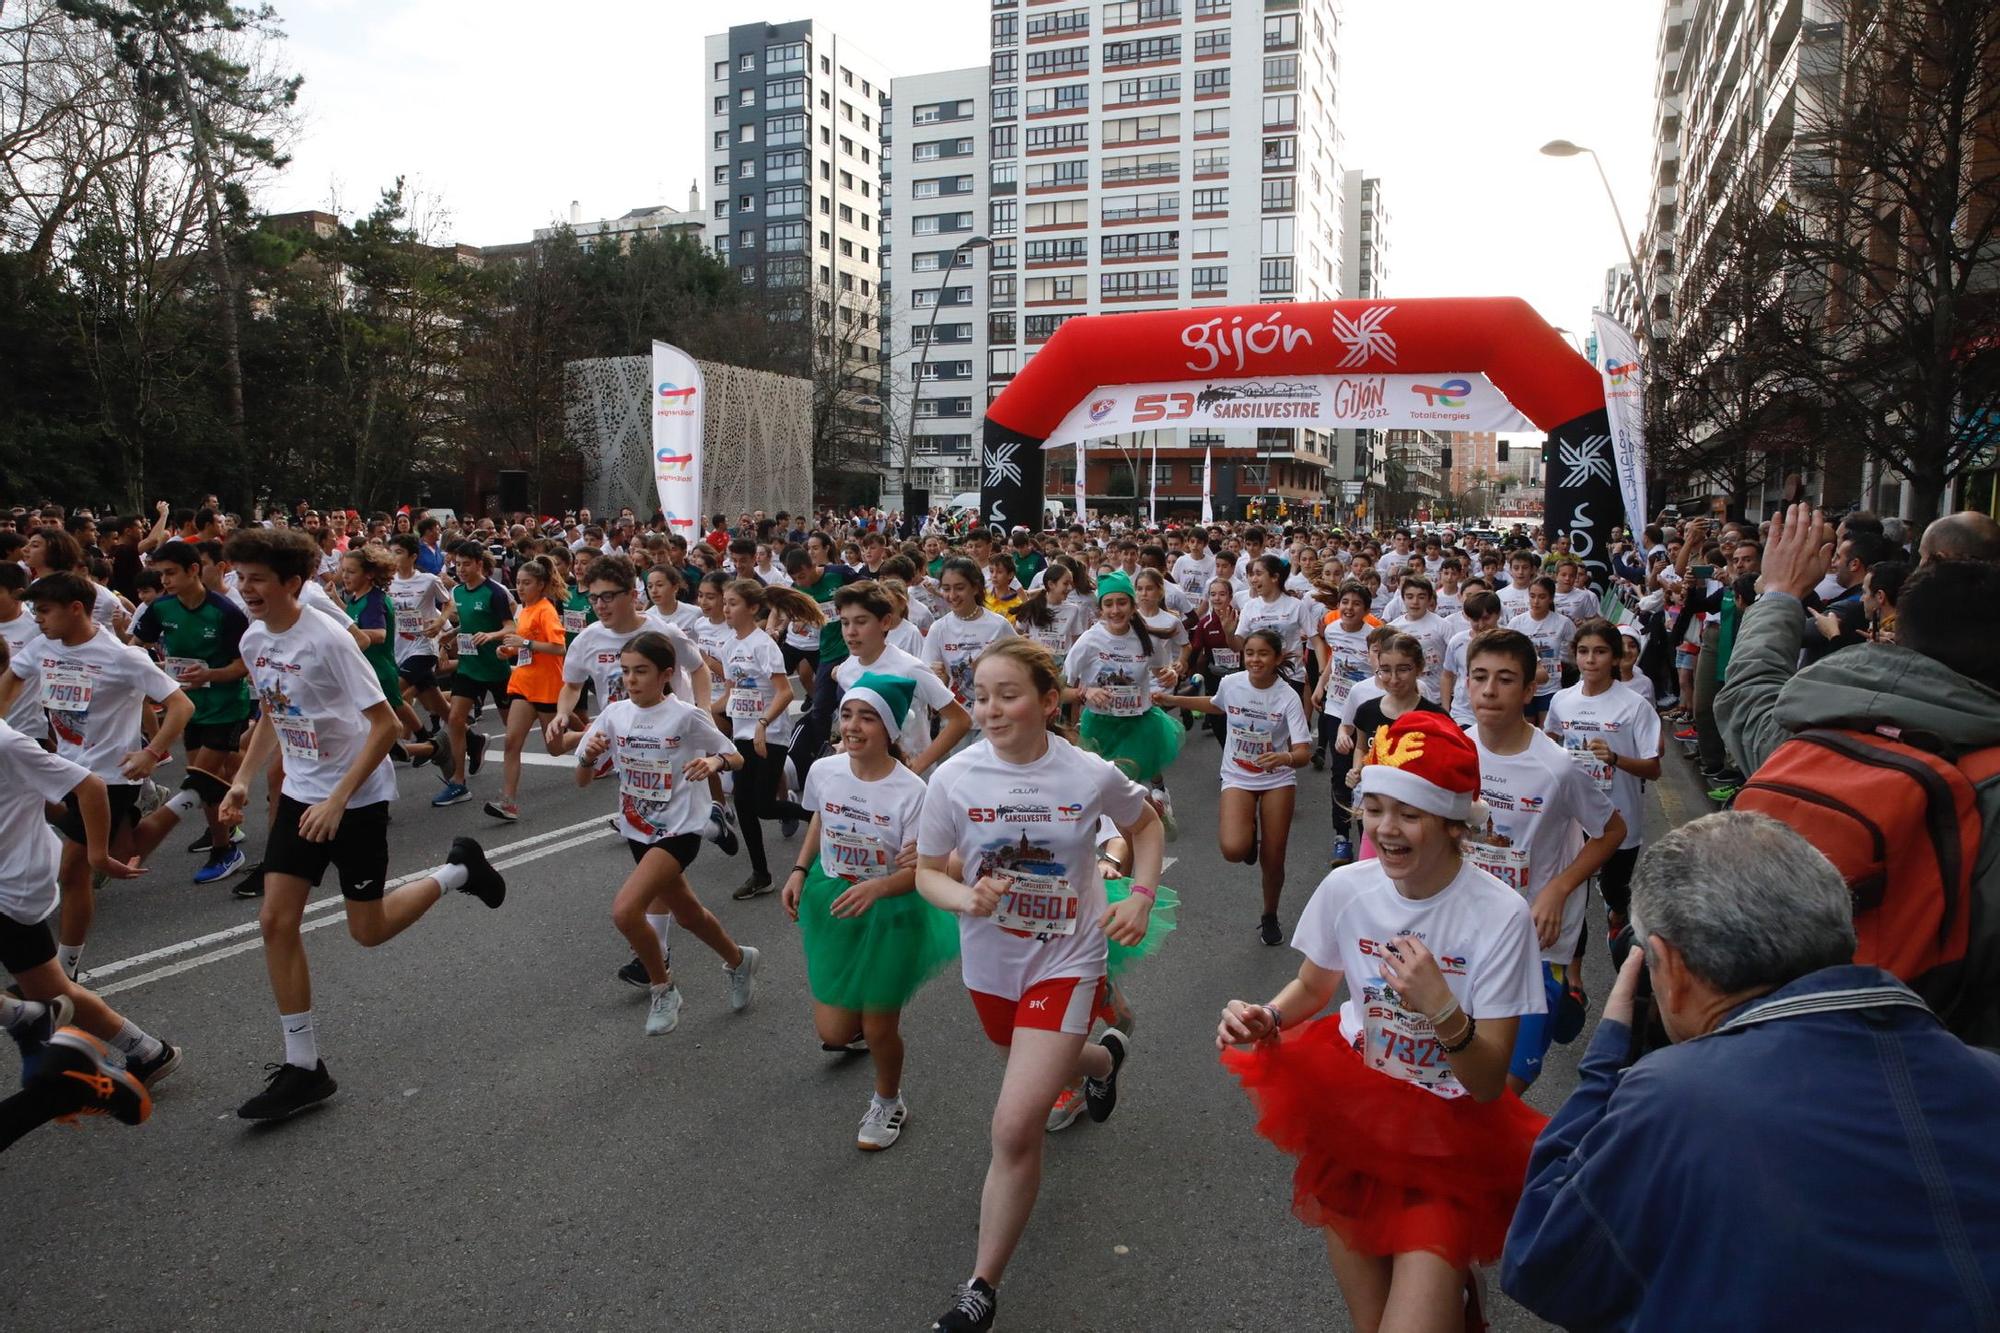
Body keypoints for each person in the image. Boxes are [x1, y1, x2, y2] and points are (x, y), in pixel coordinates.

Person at [1502, 812, 2000, 1330]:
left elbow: (1540, 1261)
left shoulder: (1676, 1098)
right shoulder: (1985, 1077)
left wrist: (1606, 1063)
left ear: (1667, 968)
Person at [1219, 712, 1547, 1333]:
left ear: (1453, 822)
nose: (1387, 830)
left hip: (1449, 1133)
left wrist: (1442, 1008)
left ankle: (1449, 1294)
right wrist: (1267, 1017)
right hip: (1360, 1119)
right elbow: (1314, 986)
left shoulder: (1500, 915)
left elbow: (1486, 1081)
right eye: (1374, 809)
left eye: (1410, 814)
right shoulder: (1349, 888)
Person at [915, 638, 1165, 1333]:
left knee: (1015, 1123)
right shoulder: (955, 779)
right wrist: (962, 898)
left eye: (1007, 693)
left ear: (1049, 702)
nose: (990, 708)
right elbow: (928, 869)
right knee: (1034, 1056)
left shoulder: (1086, 771)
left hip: (1067, 955)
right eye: (980, 694)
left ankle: (979, 1288)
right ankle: (1104, 1057)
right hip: (990, 961)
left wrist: (1140, 895)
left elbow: (1145, 826)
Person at [218, 528, 506, 1120]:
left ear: (292, 583)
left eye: (257, 579)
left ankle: (458, 870)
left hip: (357, 797)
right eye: (239, 577)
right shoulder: (253, 640)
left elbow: (386, 727)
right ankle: (304, 1066)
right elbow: (274, 714)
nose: (245, 588)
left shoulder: (326, 640)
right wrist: (244, 780)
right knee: (275, 921)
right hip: (303, 794)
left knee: (367, 931)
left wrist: (339, 799)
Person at [1718, 505, 2000, 1043]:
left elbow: (1748, 691)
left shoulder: (1804, 740)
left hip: (1790, 1036)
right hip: (1943, 1064)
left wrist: (1778, 593)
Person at [551, 631, 761, 1035]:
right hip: (637, 827)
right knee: (687, 915)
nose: (631, 679)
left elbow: (734, 755)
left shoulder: (685, 715)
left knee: (625, 911)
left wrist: (714, 765)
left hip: (680, 828)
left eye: (641, 671)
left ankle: (663, 989)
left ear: (666, 674)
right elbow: (581, 779)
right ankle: (739, 960)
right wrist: (588, 759)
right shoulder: (613, 715)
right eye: (626, 671)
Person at [781, 675, 958, 1150]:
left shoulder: (913, 791)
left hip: (892, 908)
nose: (853, 726)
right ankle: (863, 1021)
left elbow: (923, 870)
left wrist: (880, 887)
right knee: (835, 1032)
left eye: (868, 716)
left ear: (891, 728)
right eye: (847, 714)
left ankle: (888, 1100)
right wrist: (800, 869)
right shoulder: (825, 771)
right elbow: (821, 815)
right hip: (833, 895)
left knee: (881, 1024)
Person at [0, 571, 195, 979]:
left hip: (108, 777)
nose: (37, 619)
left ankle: (65, 970)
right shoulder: (42, 647)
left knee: (74, 873)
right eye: (35, 611)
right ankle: (184, 798)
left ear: (76, 609)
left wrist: (152, 752)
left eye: (45, 610)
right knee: (99, 857)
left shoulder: (122, 657)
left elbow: (180, 706)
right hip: (64, 768)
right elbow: (12, 678)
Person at [1461, 628, 1625, 1094]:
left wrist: (1557, 890)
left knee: (1508, 1082)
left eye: (1506, 679)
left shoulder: (1557, 766)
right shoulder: (1455, 750)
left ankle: (1566, 988)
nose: (1490, 690)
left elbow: (1612, 831)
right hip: (1467, 928)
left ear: (1531, 688)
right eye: (1480, 676)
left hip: (1535, 939)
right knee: (1463, 1068)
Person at [1157, 629, 1313, 944]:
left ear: (1277, 658)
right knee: (1233, 849)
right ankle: (1247, 835)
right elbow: (1217, 705)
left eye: (1263, 654)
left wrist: (1283, 757)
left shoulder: (1287, 697)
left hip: (1276, 779)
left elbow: (1303, 753)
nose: (1255, 660)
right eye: (1250, 653)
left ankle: (1270, 915)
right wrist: (1173, 699)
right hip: (1238, 775)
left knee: (1274, 856)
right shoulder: (1232, 683)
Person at [1546, 617, 1662, 983]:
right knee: (1570, 897)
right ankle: (1574, 976)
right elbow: (1549, 743)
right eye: (1583, 651)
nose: (1590, 660)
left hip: (1620, 821)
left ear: (1615, 658)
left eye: (1599, 652)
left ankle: (1620, 933)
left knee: (1616, 898)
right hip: (1572, 820)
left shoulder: (1634, 705)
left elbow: (1653, 770)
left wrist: (1615, 759)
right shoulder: (1562, 701)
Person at [131, 540, 255, 883]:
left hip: (226, 706)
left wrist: (210, 675)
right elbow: (137, 647)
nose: (165, 581)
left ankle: (224, 849)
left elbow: (242, 666)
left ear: (194, 570)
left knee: (197, 782)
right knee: (209, 783)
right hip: (186, 708)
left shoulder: (226, 612)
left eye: (171, 573)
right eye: (161, 574)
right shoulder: (160, 608)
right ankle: (225, 836)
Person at [711, 578, 820, 899]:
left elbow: (785, 693)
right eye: (725, 602)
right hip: (742, 734)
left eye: (732, 603)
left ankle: (815, 817)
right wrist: (701, 712)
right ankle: (761, 874)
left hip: (770, 735)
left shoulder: (763, 645)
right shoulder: (729, 645)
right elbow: (731, 694)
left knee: (762, 805)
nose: (726, 609)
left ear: (753, 608)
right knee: (745, 805)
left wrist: (761, 723)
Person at [832, 582, 968, 774]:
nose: (850, 631)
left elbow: (960, 720)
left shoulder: (910, 668)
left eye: (861, 622)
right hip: (868, 774)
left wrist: (919, 765)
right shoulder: (846, 670)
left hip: (910, 781)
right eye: (845, 622)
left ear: (885, 622)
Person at [429, 542, 514, 807]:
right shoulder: (457, 591)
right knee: (454, 719)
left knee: (512, 730)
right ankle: (458, 781)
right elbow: (467, 622)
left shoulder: (495, 592)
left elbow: (511, 625)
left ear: (479, 564)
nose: (461, 569)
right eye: (457, 564)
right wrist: (449, 635)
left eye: (467, 564)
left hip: (496, 669)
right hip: (468, 667)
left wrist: (492, 635)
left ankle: (512, 784)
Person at [483, 556, 567, 823]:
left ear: (541, 585)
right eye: (518, 582)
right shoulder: (523, 609)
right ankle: (508, 803)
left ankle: (592, 735)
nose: (520, 587)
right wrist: (506, 650)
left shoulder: (545, 610)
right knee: (511, 742)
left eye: (526, 583)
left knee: (555, 748)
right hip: (522, 683)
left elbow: (558, 648)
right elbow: (522, 645)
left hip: (547, 686)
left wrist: (526, 644)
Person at [920, 556, 1016, 722]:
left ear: (975, 588)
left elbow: (1020, 668)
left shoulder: (999, 625)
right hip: (956, 722)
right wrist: (938, 676)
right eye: (946, 588)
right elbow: (928, 679)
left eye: (959, 588)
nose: (952, 595)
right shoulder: (939, 629)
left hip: (994, 719)